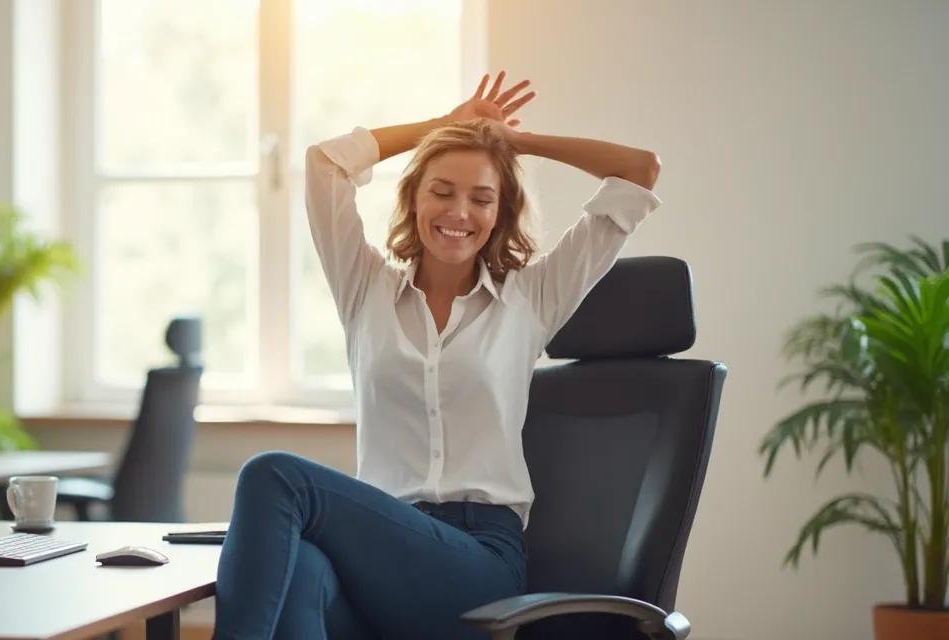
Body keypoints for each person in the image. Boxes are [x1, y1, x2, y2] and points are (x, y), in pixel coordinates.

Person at [212, 71, 663, 639]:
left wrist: (510, 142)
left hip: (476, 564)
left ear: (500, 212)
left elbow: (639, 170)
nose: (459, 212)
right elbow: (325, 164)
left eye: (482, 198)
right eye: (442, 191)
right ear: (413, 197)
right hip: (379, 552)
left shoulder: (532, 298)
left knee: (275, 476)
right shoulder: (364, 288)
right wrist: (444, 127)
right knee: (299, 566)